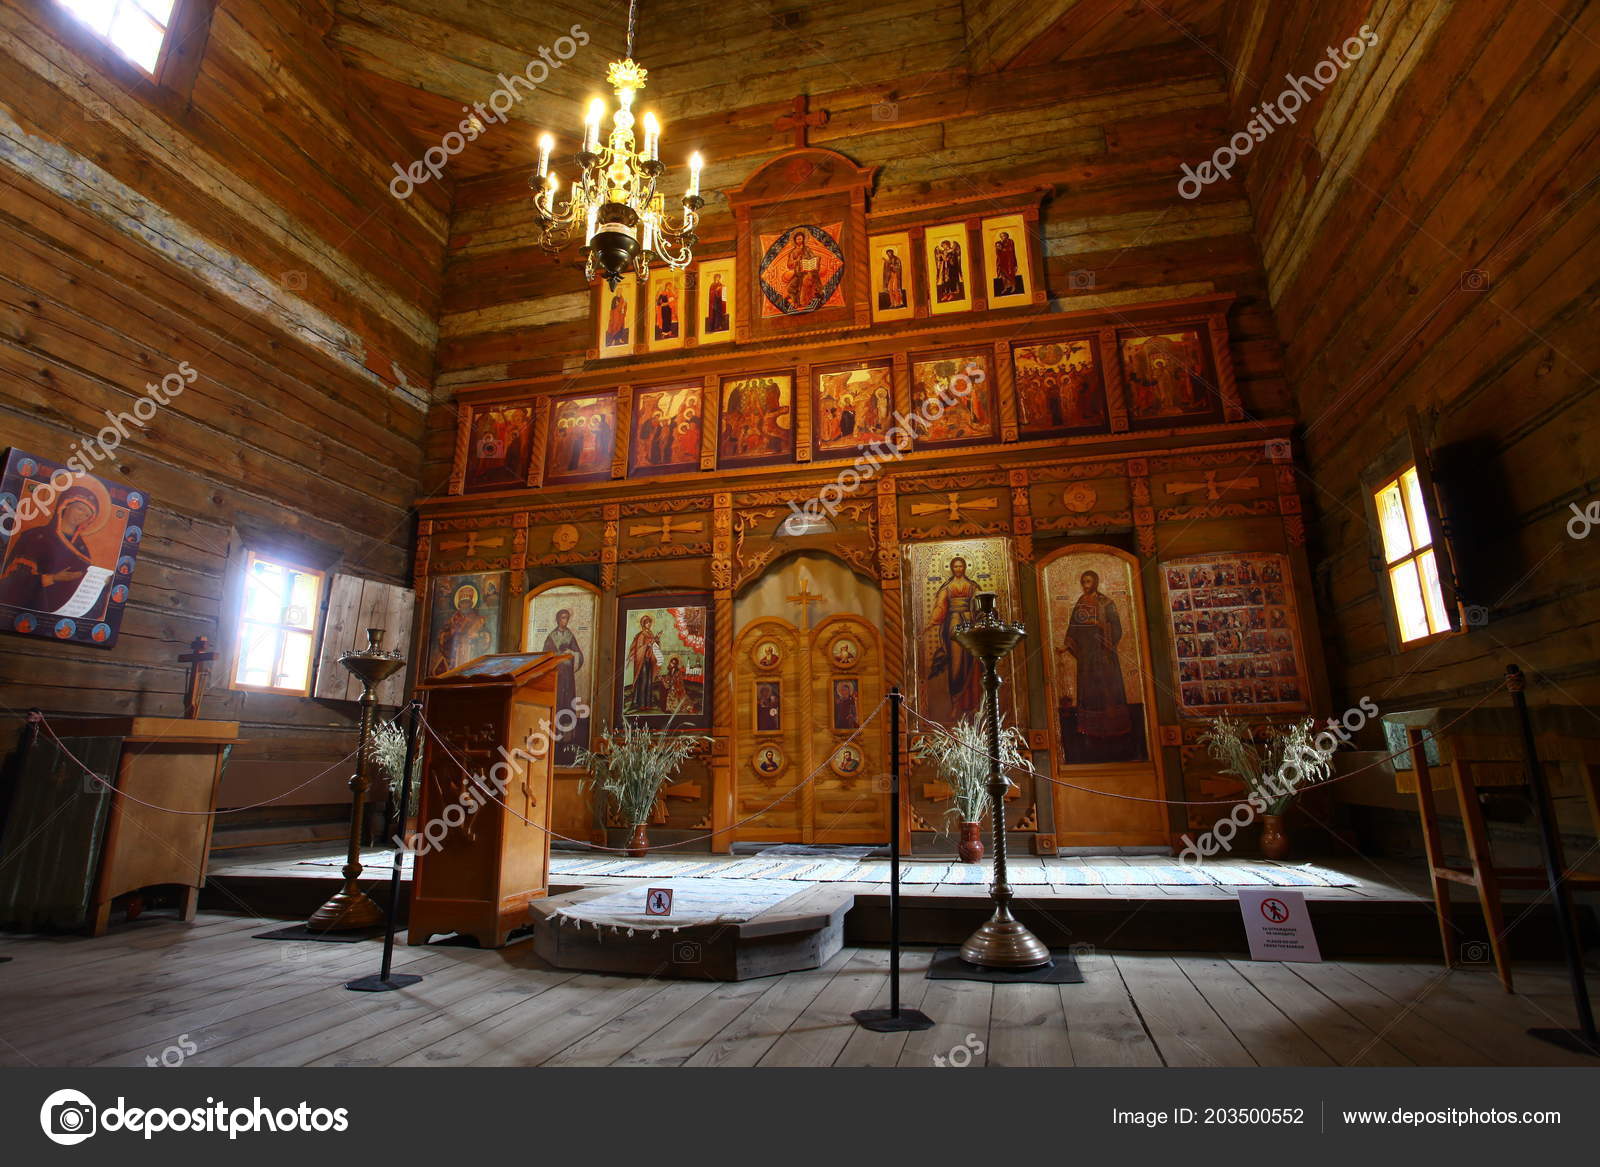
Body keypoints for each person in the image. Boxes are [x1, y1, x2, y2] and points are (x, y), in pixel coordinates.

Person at [0, 484, 100, 613]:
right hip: (31, 607)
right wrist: (53, 578)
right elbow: (14, 579)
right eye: (80, 509)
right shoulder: (35, 536)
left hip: (62, 613)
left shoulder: (82, 551)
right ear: (65, 505)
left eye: (87, 515)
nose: (82, 516)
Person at [1061, 570, 1132, 744]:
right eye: (1084, 581)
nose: (1086, 585)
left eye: (1089, 581)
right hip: (1086, 655)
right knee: (1089, 689)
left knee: (1106, 688)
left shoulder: (1106, 602)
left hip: (1103, 652)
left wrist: (1099, 624)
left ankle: (1113, 727)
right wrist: (1068, 644)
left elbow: (1116, 628)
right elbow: (1073, 627)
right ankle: (1089, 727)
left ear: (1096, 582)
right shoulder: (1080, 602)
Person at [925, 557, 981, 721]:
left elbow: (980, 605)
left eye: (961, 565)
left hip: (970, 625)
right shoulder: (947, 588)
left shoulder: (973, 586)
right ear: (951, 568)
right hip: (954, 624)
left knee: (972, 663)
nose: (958, 568)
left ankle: (972, 705)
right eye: (955, 566)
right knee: (956, 665)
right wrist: (931, 623)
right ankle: (955, 702)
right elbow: (941, 607)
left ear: (965, 567)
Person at [541, 608, 585, 758]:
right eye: (562, 618)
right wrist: (558, 655)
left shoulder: (570, 635)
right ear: (557, 619)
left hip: (568, 677)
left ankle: (568, 737)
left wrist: (572, 654)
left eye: (566, 618)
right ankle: (555, 735)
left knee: (568, 702)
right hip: (557, 676)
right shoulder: (552, 636)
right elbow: (546, 655)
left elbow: (578, 653)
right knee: (558, 701)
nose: (564, 621)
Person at [626, 614, 662, 712]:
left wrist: (657, 639)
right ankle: (641, 704)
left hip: (649, 661)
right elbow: (639, 649)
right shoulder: (641, 635)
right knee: (643, 682)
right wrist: (648, 645)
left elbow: (654, 646)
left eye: (650, 622)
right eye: (647, 622)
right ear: (643, 624)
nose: (649, 624)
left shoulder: (650, 634)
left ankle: (648, 704)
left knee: (649, 682)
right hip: (642, 662)